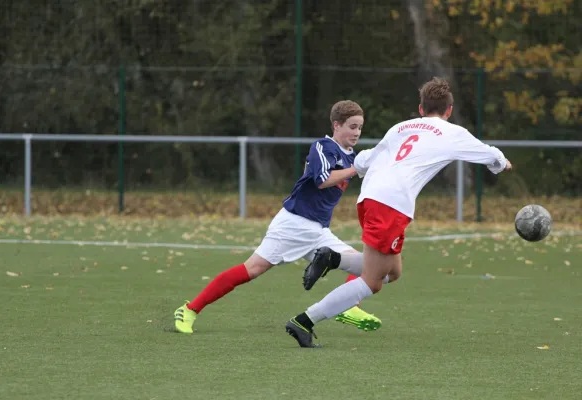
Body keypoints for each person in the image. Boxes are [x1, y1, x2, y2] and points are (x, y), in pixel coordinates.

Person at [286, 77, 512, 347]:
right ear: (449, 111)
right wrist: (503, 164)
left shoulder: (400, 127)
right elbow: (490, 155)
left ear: (420, 108)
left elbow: (366, 159)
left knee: (393, 272)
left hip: (370, 198)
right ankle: (304, 321)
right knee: (373, 281)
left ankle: (333, 259)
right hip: (390, 205)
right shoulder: (452, 133)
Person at [175, 100, 385, 334]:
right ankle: (190, 309)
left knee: (368, 267)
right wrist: (356, 169)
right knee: (251, 269)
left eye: (359, 127)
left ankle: (349, 307)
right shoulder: (323, 147)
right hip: (292, 224)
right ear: (336, 125)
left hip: (318, 231)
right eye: (352, 126)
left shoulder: (350, 156)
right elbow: (321, 180)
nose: (356, 132)